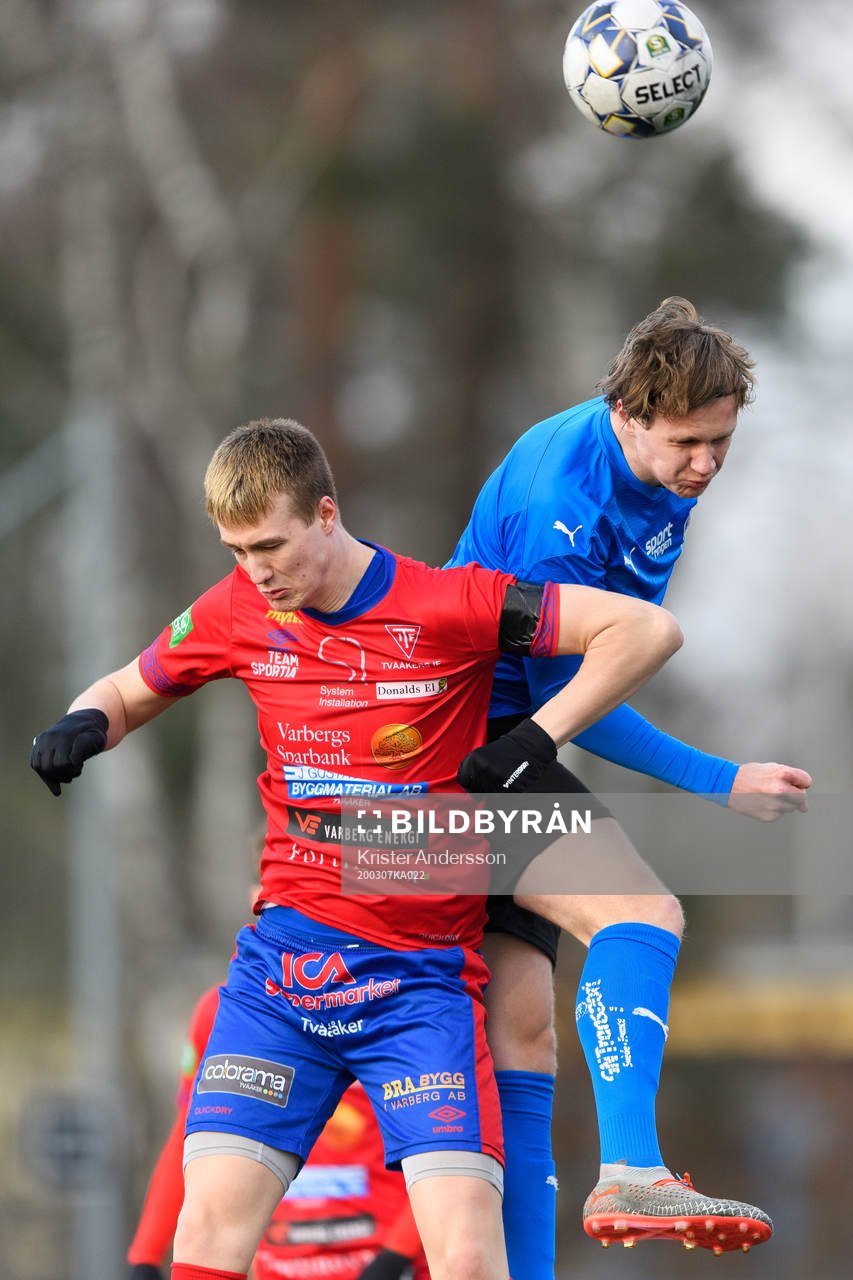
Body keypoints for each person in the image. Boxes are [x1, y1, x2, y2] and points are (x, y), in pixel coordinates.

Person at [30, 415, 705, 1280]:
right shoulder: (238, 608)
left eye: (270, 546)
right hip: (283, 977)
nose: (256, 571)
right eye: (237, 551)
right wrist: (87, 721)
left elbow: (644, 631)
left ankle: (631, 1167)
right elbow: (129, 688)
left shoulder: (446, 603)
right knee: (203, 1238)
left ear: (325, 513)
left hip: (417, 989)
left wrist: (535, 738)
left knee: (467, 1254)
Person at [447, 296, 812, 1265]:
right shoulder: (558, 511)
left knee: (522, 1041)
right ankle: (629, 1169)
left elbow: (590, 683)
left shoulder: (659, 477)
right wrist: (719, 777)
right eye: (687, 443)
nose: (706, 464)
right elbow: (572, 704)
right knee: (640, 916)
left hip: (501, 745)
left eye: (720, 442)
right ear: (627, 414)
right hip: (468, 749)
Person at [128, 859, 427, 1280]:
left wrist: (395, 1258)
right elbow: (190, 1137)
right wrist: (144, 1256)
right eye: (266, 890)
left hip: (389, 1264)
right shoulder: (224, 1013)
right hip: (280, 1265)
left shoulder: (406, 1003)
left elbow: (444, 1146)